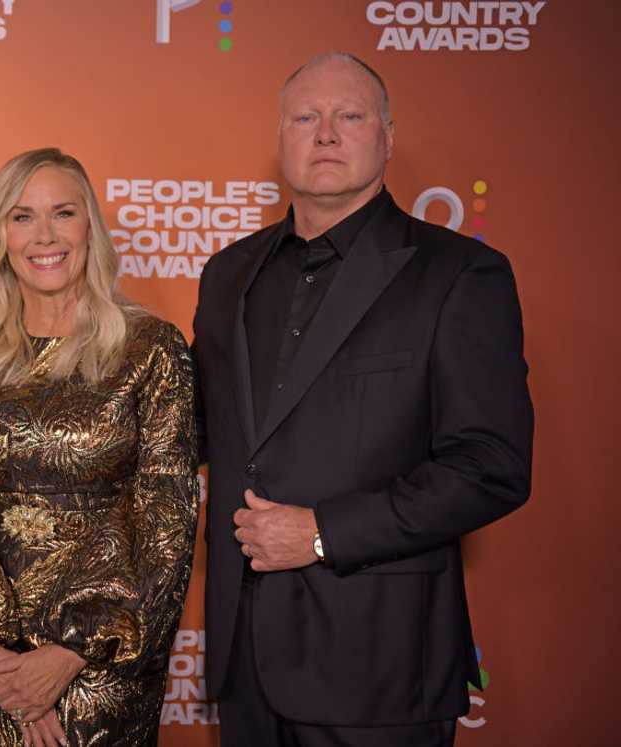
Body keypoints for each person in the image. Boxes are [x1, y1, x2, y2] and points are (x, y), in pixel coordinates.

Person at [192, 52, 534, 746]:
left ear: (387, 136)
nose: (325, 134)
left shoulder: (460, 274)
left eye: (349, 116)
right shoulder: (228, 274)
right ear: (281, 136)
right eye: (305, 118)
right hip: (245, 664)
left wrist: (322, 532)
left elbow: (490, 465)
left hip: (381, 666)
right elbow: (200, 431)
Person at [0, 147, 199, 747]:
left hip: (101, 665)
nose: (44, 235)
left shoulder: (151, 349)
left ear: (90, 225)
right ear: (1, 235)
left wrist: (71, 655)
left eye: (63, 213)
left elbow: (167, 519)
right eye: (22, 216)